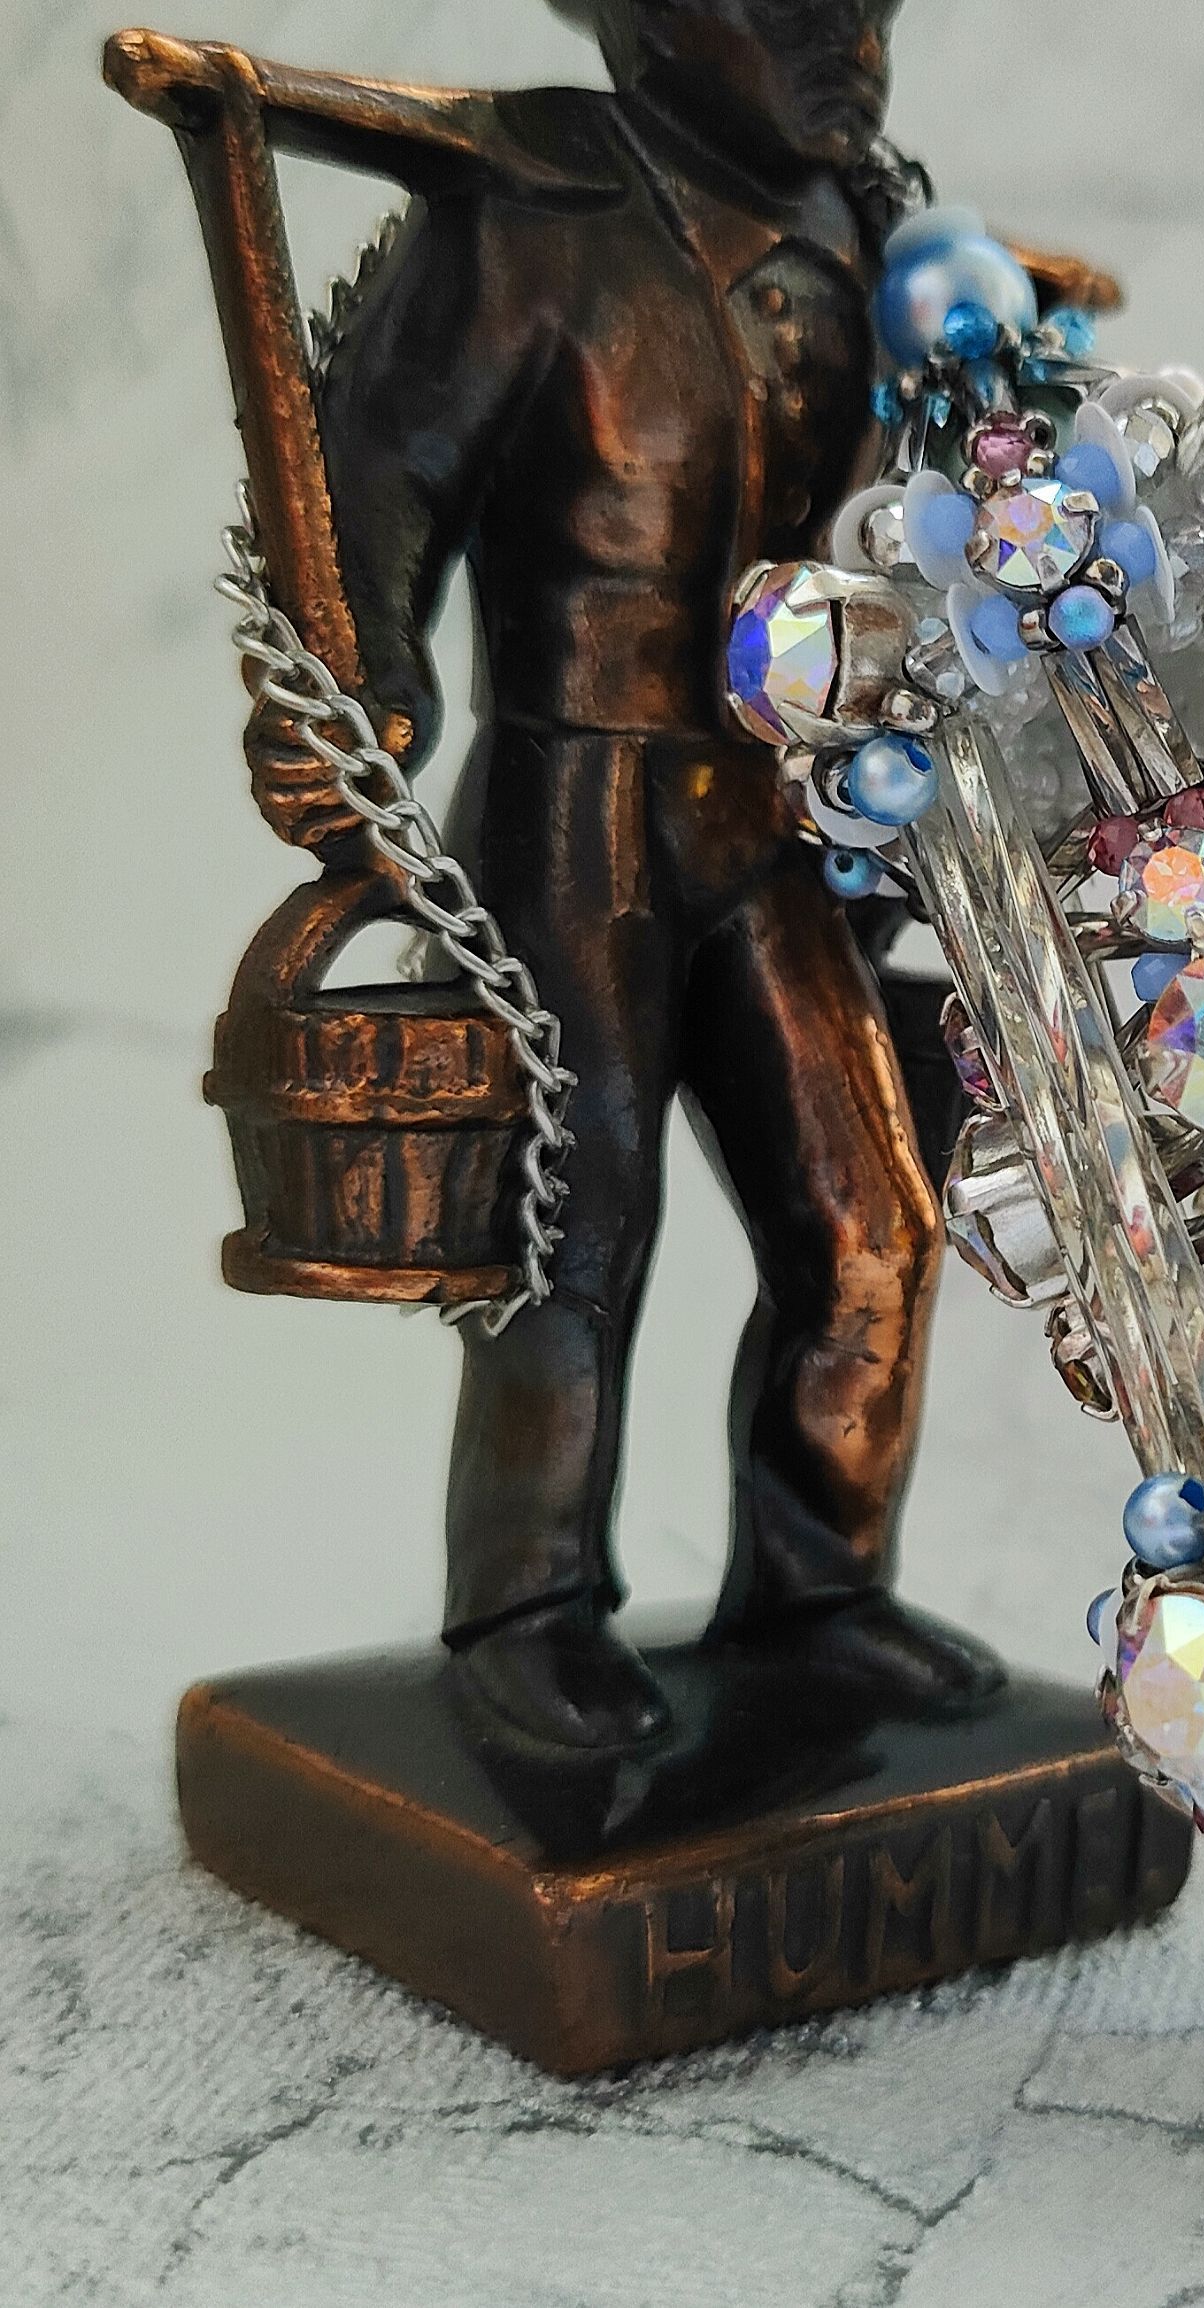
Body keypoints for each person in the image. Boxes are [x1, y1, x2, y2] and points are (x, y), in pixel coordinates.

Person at [248, 0, 1003, 1749]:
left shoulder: (889, 243)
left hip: (785, 816)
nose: (847, 41)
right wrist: (347, 688)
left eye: (873, 6)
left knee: (872, 1216)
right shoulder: (533, 209)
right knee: (569, 1217)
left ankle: (818, 1591)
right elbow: (376, 474)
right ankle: (525, 1604)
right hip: (576, 800)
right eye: (792, 4)